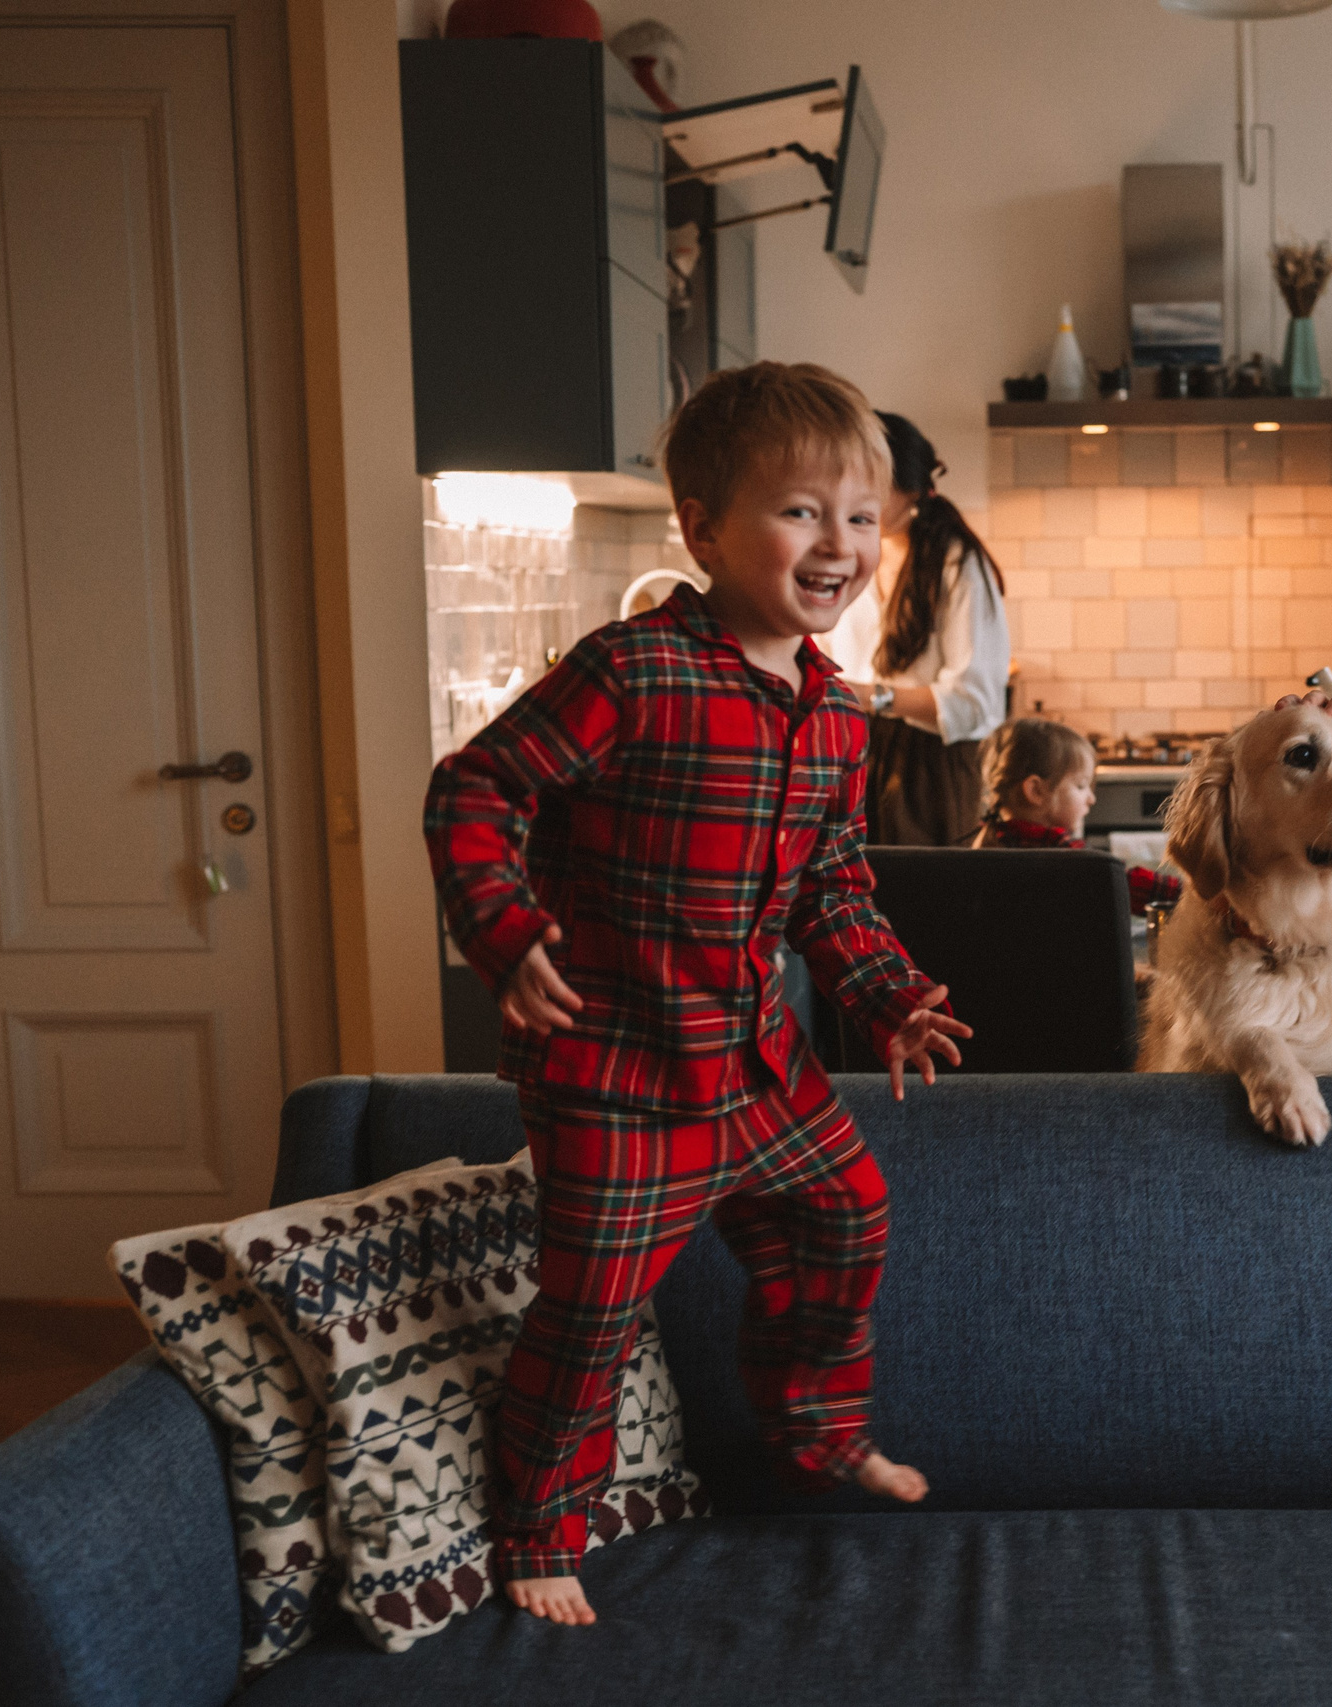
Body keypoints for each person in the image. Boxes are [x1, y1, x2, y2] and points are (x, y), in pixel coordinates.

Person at [424, 361, 972, 1626]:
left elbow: (831, 889)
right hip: (618, 1071)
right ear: (704, 530)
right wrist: (502, 930)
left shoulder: (838, 716)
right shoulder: (633, 671)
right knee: (592, 1312)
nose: (837, 544)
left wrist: (888, 998)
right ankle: (537, 1529)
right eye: (799, 512)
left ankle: (817, 1429)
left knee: (848, 1211)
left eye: (859, 516)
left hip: (756, 1064)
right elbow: (475, 790)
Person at [828, 411, 1013, 844]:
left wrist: (872, 697)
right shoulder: (849, 554)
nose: (852, 498)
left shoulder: (956, 562)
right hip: (852, 756)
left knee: (924, 885)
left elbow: (976, 703)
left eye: (869, 484)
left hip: (931, 771)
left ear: (909, 488)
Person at [970, 717, 1182, 913]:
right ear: (1036, 790)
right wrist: (1185, 893)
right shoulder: (1059, 850)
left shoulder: (989, 837)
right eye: (1081, 786)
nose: (1091, 799)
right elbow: (1123, 885)